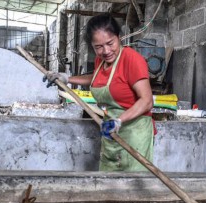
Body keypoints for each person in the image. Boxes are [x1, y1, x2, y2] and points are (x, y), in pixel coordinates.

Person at [44, 13, 154, 172]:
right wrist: (67, 78)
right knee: (108, 183)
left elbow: (147, 101)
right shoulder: (100, 60)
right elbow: (97, 79)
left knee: (131, 186)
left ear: (119, 37)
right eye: (98, 47)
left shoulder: (132, 59)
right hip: (110, 129)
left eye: (110, 43)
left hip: (134, 132)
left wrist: (119, 121)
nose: (106, 51)